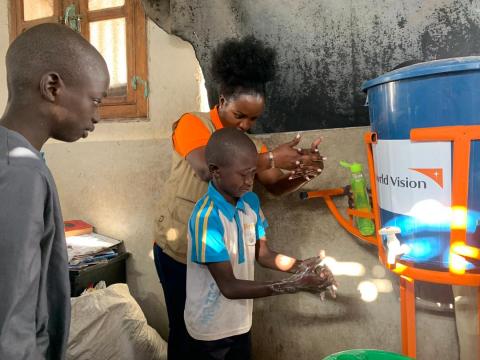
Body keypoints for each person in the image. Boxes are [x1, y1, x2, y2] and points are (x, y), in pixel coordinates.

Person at [153, 35, 324, 359]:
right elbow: (206, 168)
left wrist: (304, 172)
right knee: (186, 332)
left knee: (223, 330)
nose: (246, 125)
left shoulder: (251, 146)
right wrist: (272, 158)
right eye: (239, 115)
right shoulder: (193, 124)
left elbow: (273, 186)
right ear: (222, 100)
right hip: (178, 250)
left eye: (254, 119)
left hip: (223, 261)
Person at [0, 24, 109, 359]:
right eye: (94, 100)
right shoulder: (22, 172)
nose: (97, 115)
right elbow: (12, 312)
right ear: (52, 87)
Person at [185, 128, 336, 359]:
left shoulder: (250, 202)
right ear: (215, 171)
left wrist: (302, 266)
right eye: (242, 174)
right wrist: (294, 285)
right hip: (211, 330)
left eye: (253, 173)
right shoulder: (207, 219)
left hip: (240, 322)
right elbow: (229, 287)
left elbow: (264, 254)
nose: (249, 182)